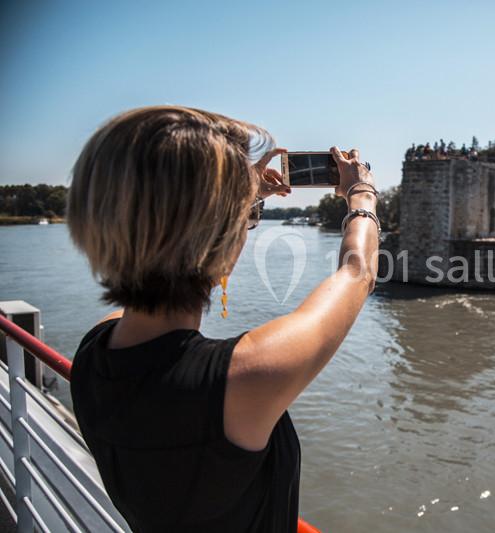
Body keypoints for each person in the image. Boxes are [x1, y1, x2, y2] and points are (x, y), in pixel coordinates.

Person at [67, 106, 379, 532]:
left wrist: (239, 201)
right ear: (221, 239)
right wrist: (362, 194)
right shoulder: (245, 377)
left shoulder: (93, 351)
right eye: (246, 220)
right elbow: (357, 272)